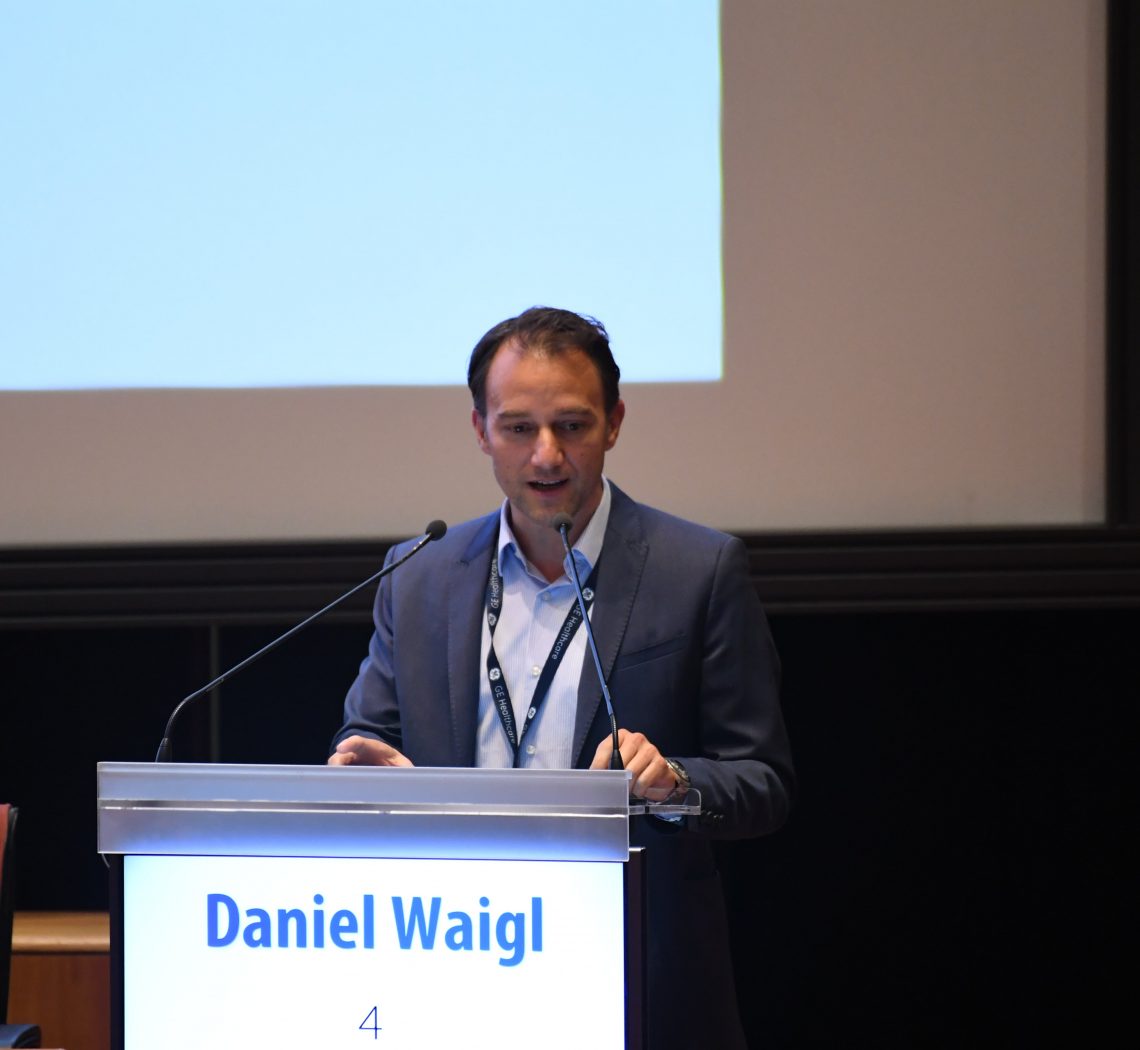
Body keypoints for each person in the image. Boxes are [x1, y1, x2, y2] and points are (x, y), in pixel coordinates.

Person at [330, 306, 794, 1049]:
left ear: (614, 423)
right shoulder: (419, 576)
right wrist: (358, 769)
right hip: (450, 960)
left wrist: (674, 781)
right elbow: (368, 736)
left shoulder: (699, 571)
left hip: (632, 975)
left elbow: (762, 780)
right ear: (481, 430)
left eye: (572, 426)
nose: (546, 456)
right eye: (518, 428)